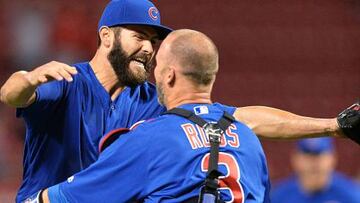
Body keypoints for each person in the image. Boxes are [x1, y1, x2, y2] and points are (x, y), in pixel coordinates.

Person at [0, 0, 353, 202]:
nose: (149, 48)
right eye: (139, 36)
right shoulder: (67, 82)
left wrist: (332, 126)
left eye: (154, 40)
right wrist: (28, 78)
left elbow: (242, 119)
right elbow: (13, 93)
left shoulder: (153, 98)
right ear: (106, 37)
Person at [34, 29, 270, 203]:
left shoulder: (151, 137)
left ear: (169, 75)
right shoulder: (249, 140)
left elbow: (67, 197)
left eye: (157, 65)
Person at [271, 137, 360, 203]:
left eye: (319, 155)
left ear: (332, 158)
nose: (314, 163)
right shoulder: (280, 195)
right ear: (295, 158)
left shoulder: (351, 194)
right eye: (308, 156)